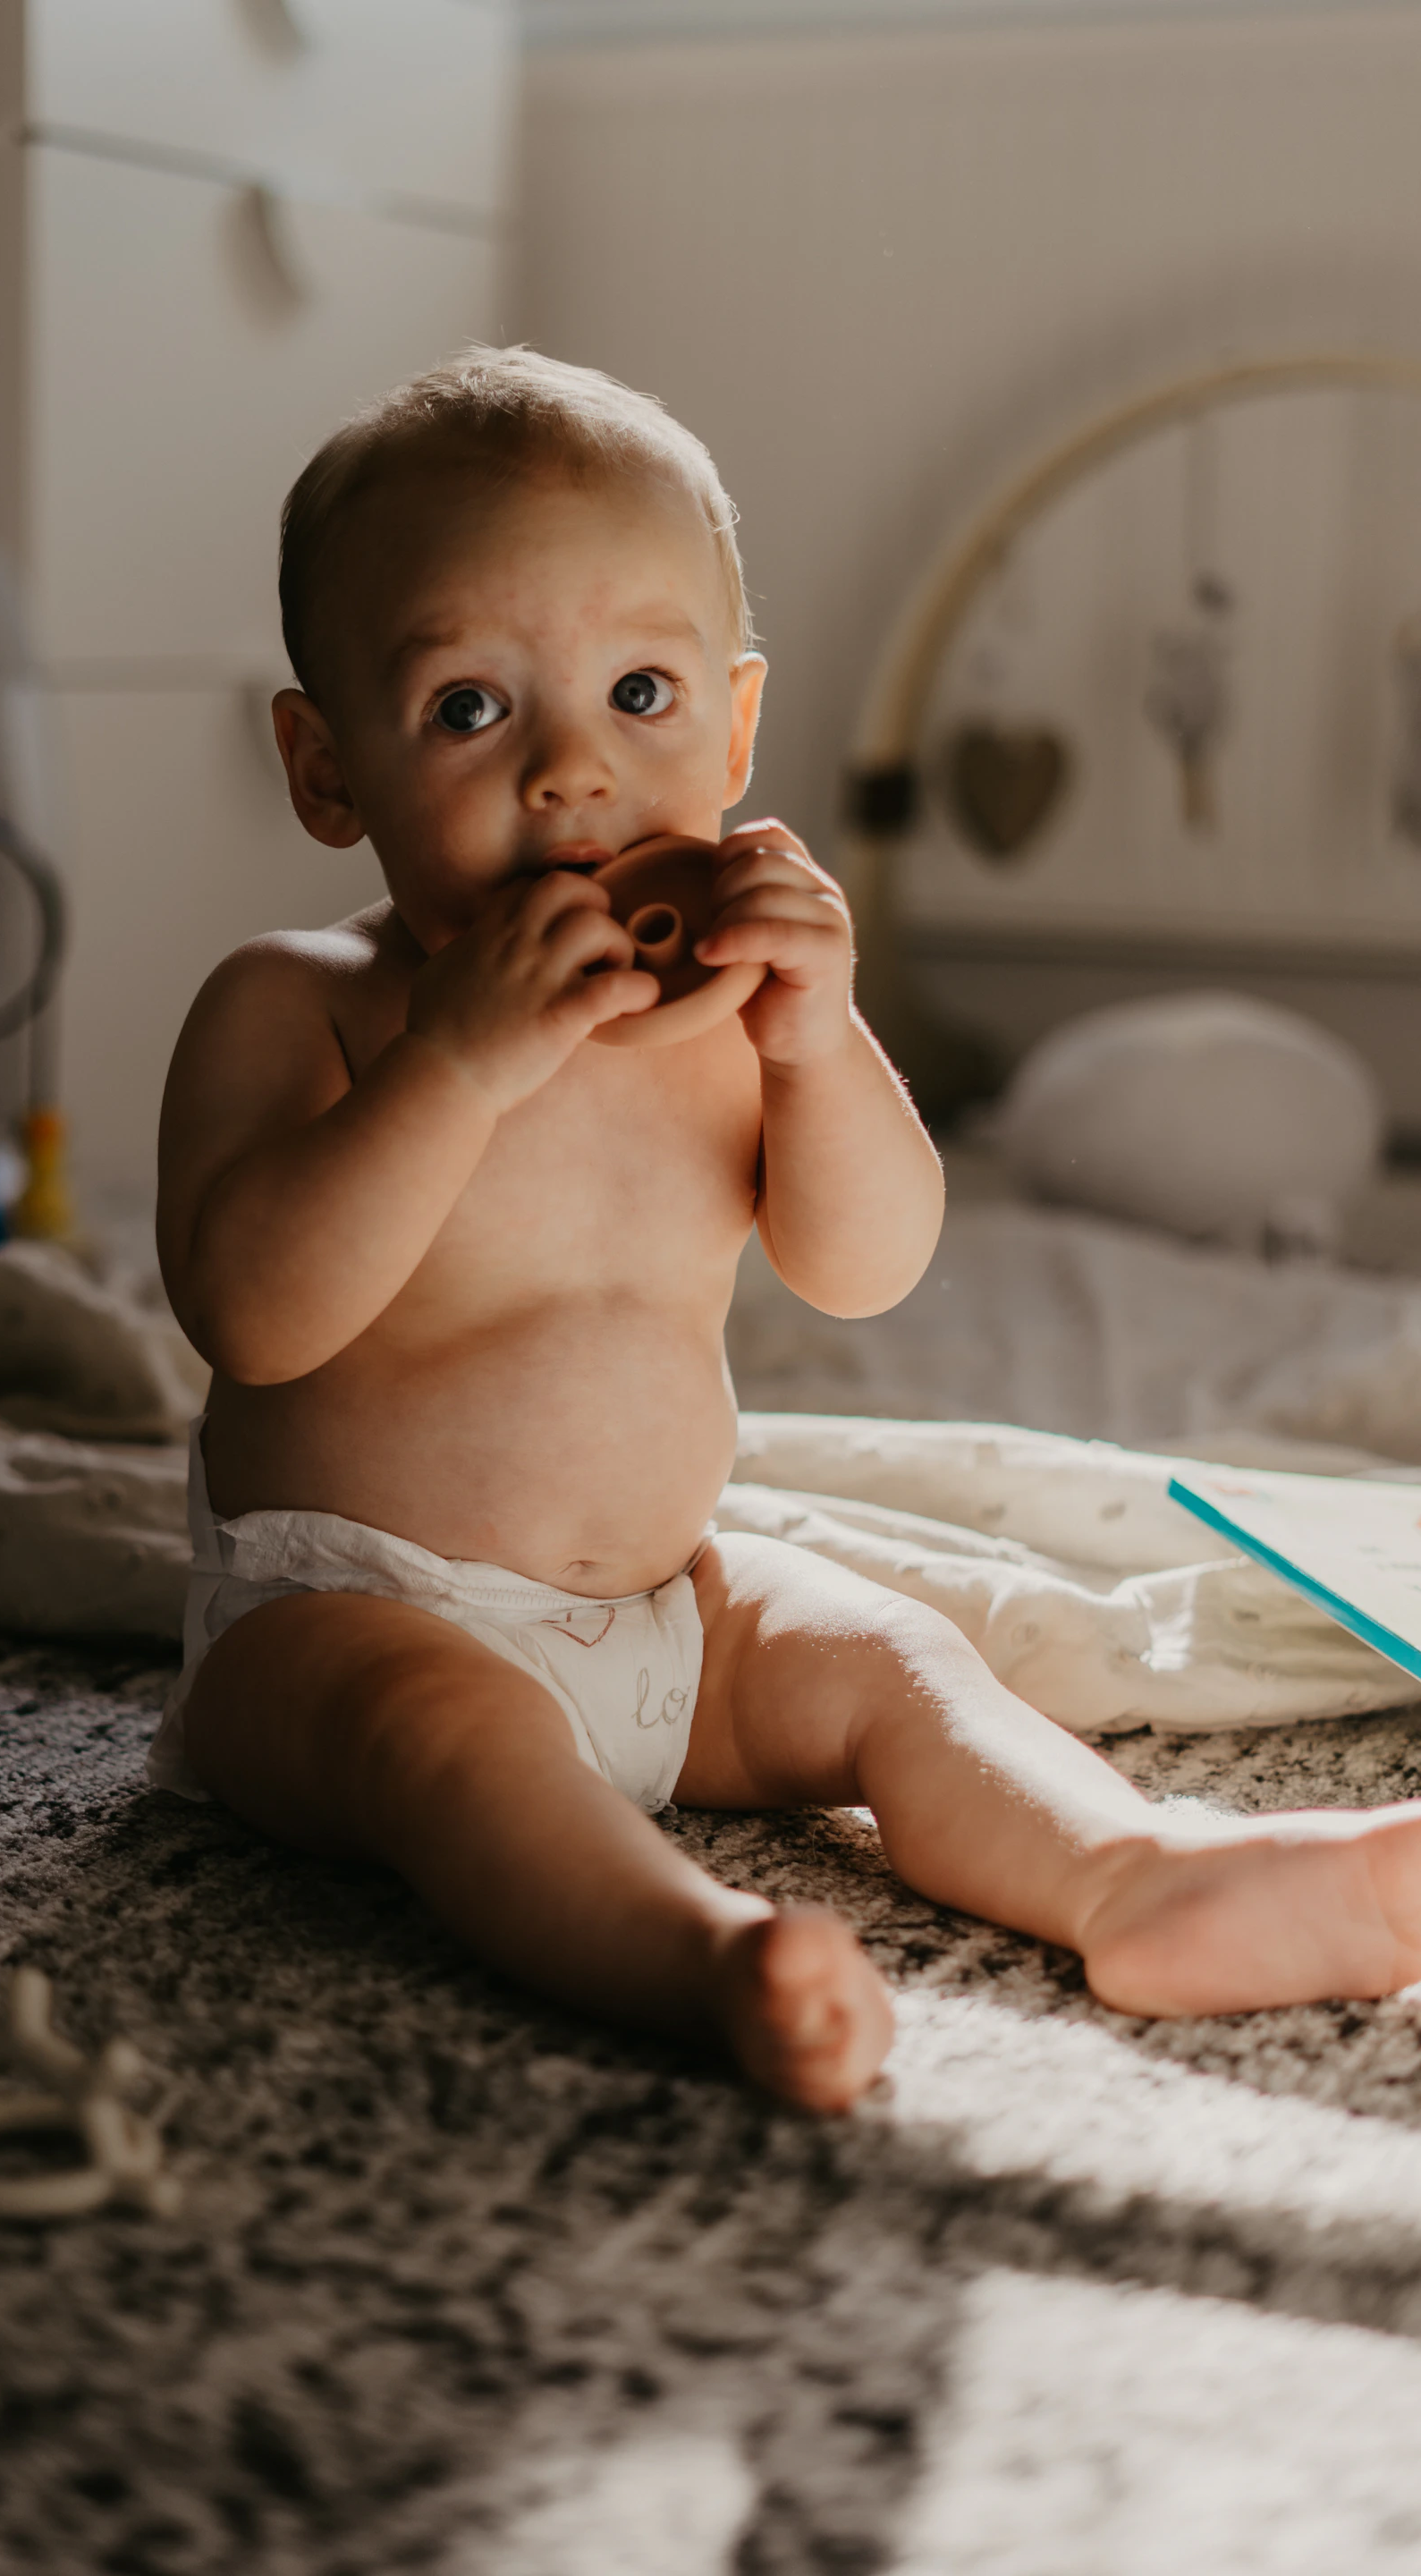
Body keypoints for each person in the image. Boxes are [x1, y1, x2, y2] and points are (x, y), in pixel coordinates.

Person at [154, 347, 1421, 2112]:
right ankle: (699, 1954)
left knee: (896, 1655)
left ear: (738, 733)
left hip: (675, 1609)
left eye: (641, 692)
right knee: (449, 1747)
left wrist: (821, 1040)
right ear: (324, 768)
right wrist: (452, 1068)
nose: (572, 775)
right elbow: (256, 1316)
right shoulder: (298, 1009)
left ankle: (1139, 1879)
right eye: (467, 709)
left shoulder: (733, 1018)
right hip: (352, 1617)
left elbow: (871, 1261)